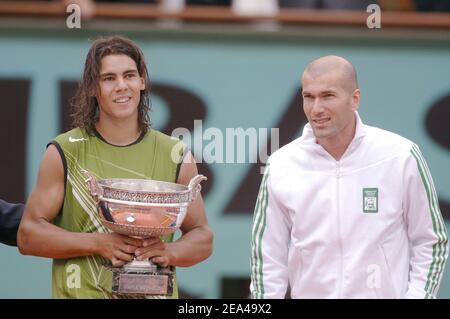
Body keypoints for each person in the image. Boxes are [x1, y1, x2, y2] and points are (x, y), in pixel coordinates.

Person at [17, 35, 213, 298]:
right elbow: (28, 236)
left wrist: (169, 251)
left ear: (142, 81)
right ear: (91, 88)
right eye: (109, 78)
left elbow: (202, 237)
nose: (121, 86)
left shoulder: (176, 154)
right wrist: (98, 243)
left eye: (129, 75)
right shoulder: (65, 150)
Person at [250, 55, 448, 299]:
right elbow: (268, 256)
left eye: (328, 96)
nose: (316, 108)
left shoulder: (401, 155)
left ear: (355, 99)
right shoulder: (281, 165)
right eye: (308, 97)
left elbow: (431, 241)